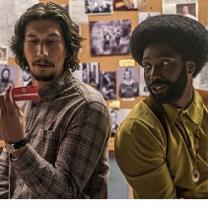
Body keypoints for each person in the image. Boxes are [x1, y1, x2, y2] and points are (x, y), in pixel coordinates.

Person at [0, 2, 111, 199]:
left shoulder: (87, 105)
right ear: (22, 48)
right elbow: (6, 174)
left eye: (51, 42)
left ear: (68, 48)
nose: (42, 52)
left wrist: (19, 145)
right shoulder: (23, 98)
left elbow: (65, 195)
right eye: (33, 41)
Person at [114, 14, 208, 198]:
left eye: (164, 63)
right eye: (147, 66)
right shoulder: (138, 129)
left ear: (190, 67)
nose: (153, 75)